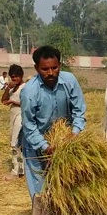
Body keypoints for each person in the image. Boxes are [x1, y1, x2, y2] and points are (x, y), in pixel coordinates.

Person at [20, 46, 87, 201]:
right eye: (45, 69)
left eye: (54, 68)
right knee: (40, 190)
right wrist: (45, 146)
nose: (50, 73)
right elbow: (29, 125)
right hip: (36, 144)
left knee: (67, 185)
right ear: (36, 68)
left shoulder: (69, 81)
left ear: (60, 65)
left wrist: (74, 133)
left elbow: (79, 111)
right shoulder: (29, 92)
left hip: (66, 142)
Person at [1, 64, 26, 181]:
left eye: (16, 77)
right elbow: (3, 100)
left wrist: (13, 101)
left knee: (15, 143)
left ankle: (16, 171)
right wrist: (7, 88)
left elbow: (28, 104)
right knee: (16, 143)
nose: (14, 79)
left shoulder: (25, 88)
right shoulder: (12, 88)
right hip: (13, 116)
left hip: (21, 116)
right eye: (12, 77)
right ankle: (21, 170)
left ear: (21, 76)